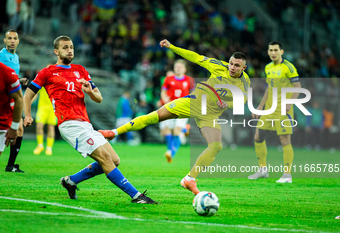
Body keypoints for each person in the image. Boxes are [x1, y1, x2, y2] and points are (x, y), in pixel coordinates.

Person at [99, 39, 250, 195]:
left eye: (237, 65)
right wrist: (172, 47)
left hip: (210, 114)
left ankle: (189, 179)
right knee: (154, 117)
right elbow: (195, 57)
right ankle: (113, 133)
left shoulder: (245, 82)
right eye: (231, 63)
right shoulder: (219, 66)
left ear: (244, 68)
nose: (232, 67)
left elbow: (244, 99)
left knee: (216, 146)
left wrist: (228, 105)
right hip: (194, 102)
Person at [23, 35, 156, 204]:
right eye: (65, 47)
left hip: (85, 123)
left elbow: (99, 98)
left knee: (115, 160)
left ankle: (70, 181)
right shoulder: (47, 72)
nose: (69, 50)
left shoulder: (81, 70)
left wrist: (90, 91)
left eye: (71, 47)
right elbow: (28, 94)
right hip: (69, 124)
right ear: (56, 51)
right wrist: (27, 115)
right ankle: (136, 196)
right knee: (106, 159)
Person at [248, 41, 301, 183]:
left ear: (281, 52)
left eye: (276, 50)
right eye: (270, 50)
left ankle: (287, 175)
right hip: (269, 110)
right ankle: (263, 170)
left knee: (284, 140)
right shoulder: (268, 67)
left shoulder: (288, 67)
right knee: (258, 137)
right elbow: (269, 88)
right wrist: (259, 107)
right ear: (267, 52)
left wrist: (289, 103)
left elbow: (297, 86)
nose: (273, 52)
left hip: (283, 110)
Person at [0, 30, 28, 173]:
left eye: (14, 38)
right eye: (9, 38)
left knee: (19, 128)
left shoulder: (16, 57)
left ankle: (11, 165)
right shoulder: (1, 55)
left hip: (12, 97)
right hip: (3, 99)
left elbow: (11, 77)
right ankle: (10, 165)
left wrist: (19, 80)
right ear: (4, 41)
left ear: (18, 41)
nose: (12, 41)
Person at [159, 59, 194, 163]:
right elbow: (163, 91)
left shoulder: (189, 80)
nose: (178, 68)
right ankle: (185, 130)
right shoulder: (168, 79)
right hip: (170, 108)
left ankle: (171, 152)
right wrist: (164, 98)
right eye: (176, 67)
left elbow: (194, 93)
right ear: (174, 68)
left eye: (180, 67)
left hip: (183, 109)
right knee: (166, 130)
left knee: (176, 130)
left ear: (184, 69)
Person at [0, 62, 23, 158]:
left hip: (1, 123)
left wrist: (14, 127)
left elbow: (19, 99)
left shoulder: (7, 73)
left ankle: (11, 164)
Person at [33, 86, 57, 155]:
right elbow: (35, 94)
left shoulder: (55, 81)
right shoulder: (42, 81)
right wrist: (28, 103)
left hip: (52, 108)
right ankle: (40, 145)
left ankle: (49, 148)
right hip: (42, 108)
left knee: (51, 127)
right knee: (39, 126)